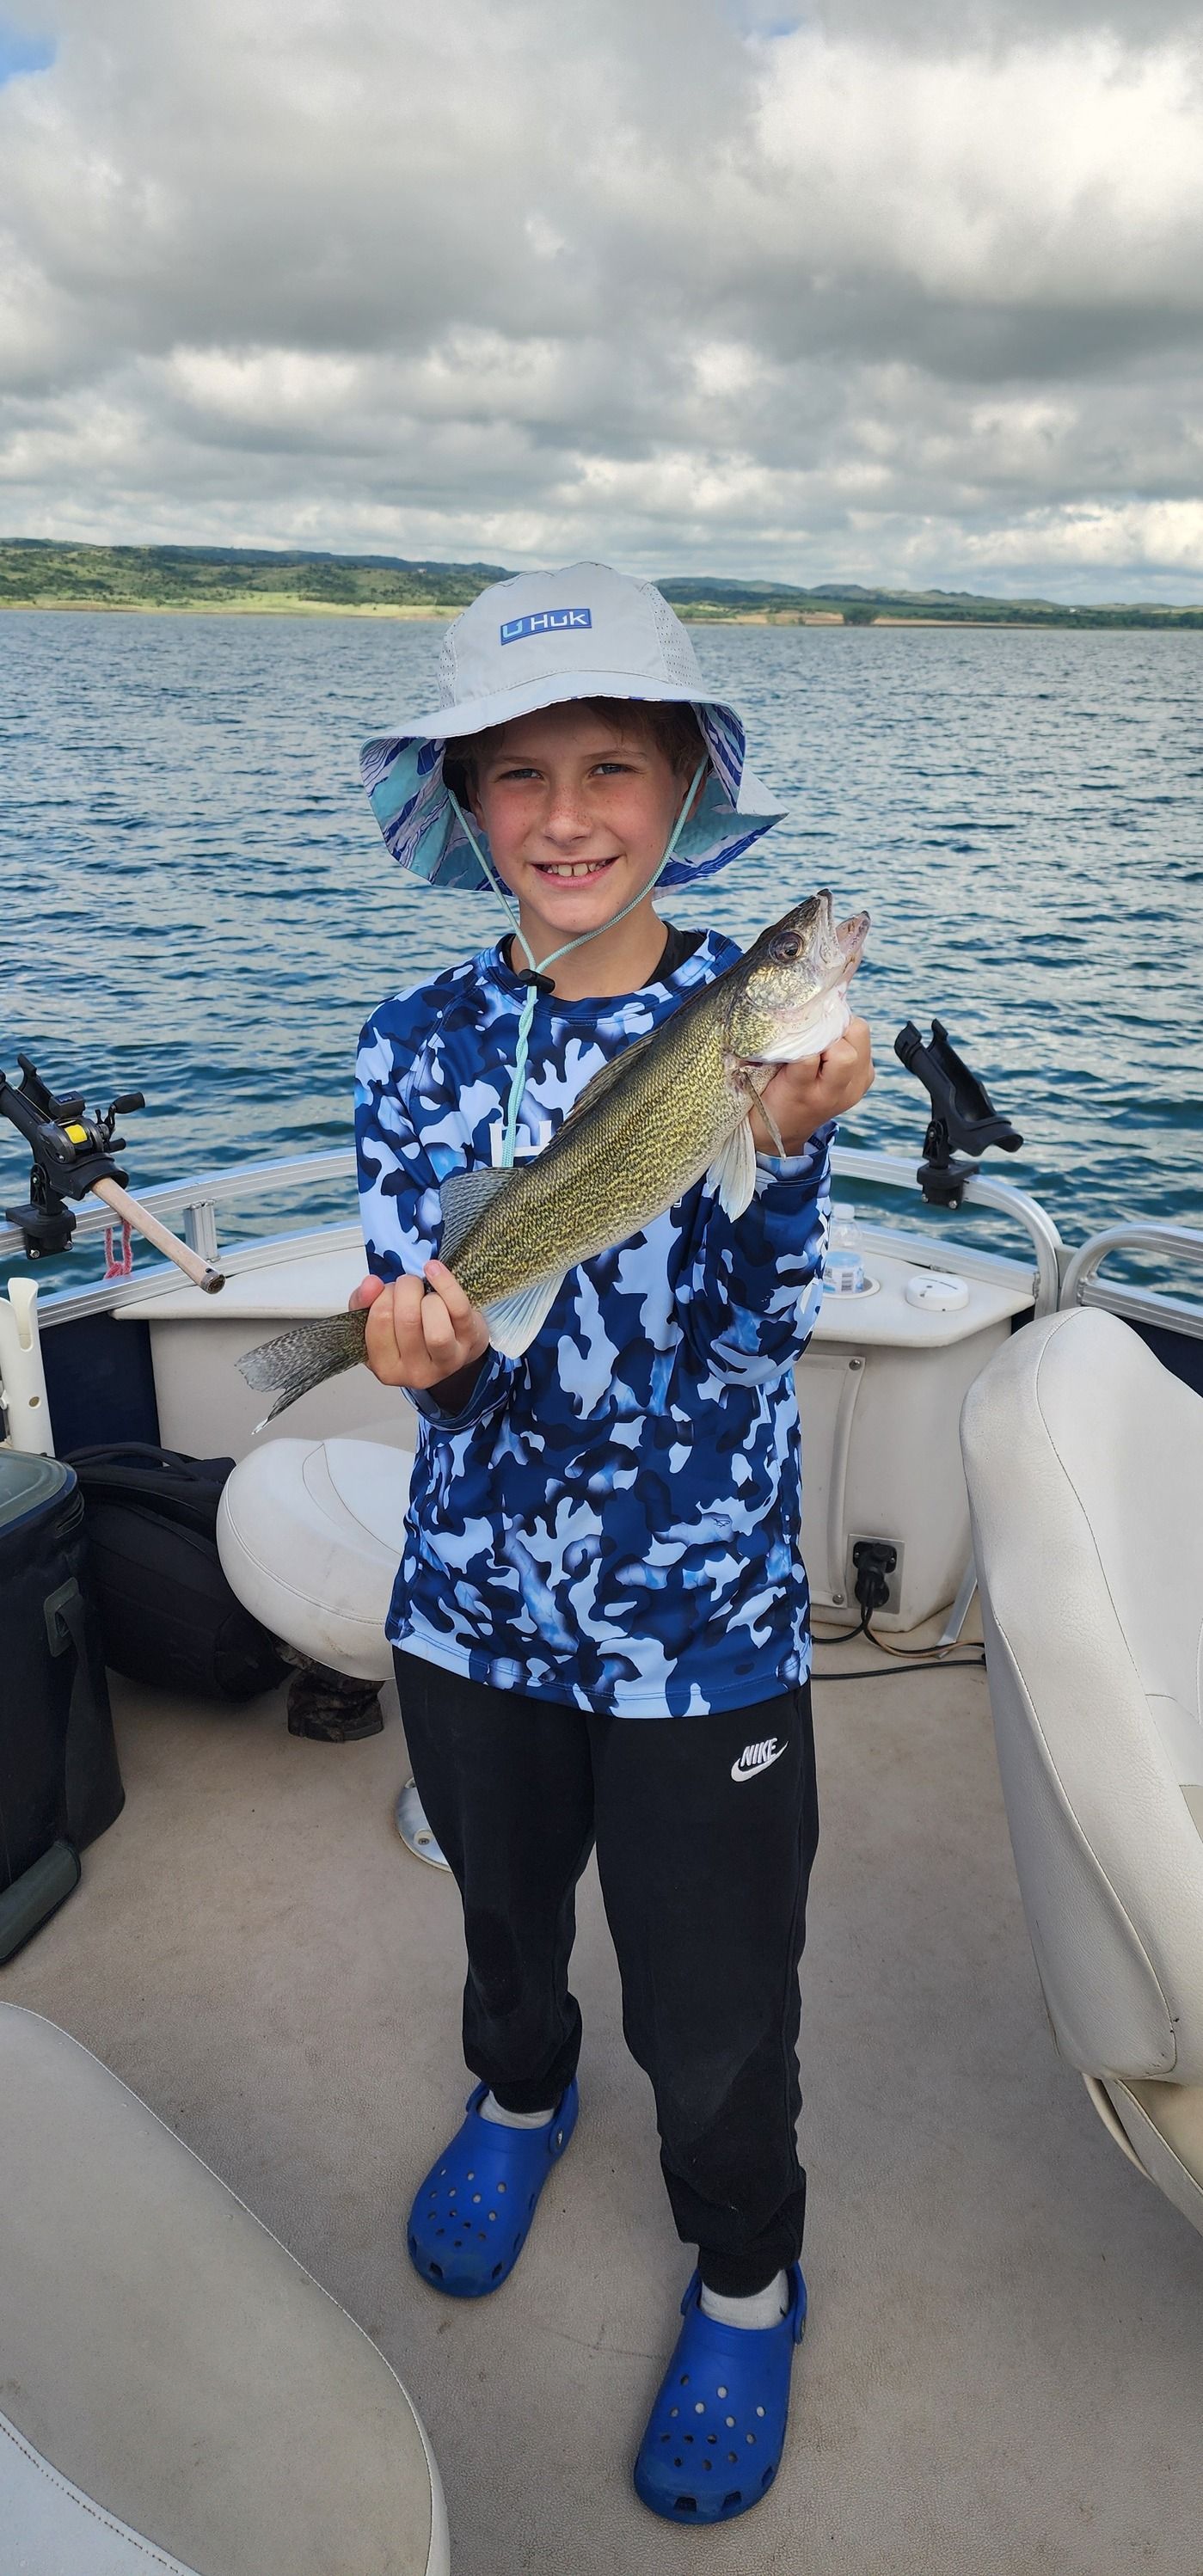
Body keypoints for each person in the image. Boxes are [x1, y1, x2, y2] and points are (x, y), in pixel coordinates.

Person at [350, 561, 874, 2525]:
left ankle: (746, 2275)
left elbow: (753, 1336)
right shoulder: (409, 1040)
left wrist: (794, 1147)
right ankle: (515, 2087)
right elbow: (459, 1354)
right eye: (517, 775)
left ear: (679, 789)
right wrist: (422, 1360)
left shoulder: (758, 1027)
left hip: (701, 1624)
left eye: (613, 767)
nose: (566, 816)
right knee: (503, 1915)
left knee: (716, 1998)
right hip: (472, 1603)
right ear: (467, 805)